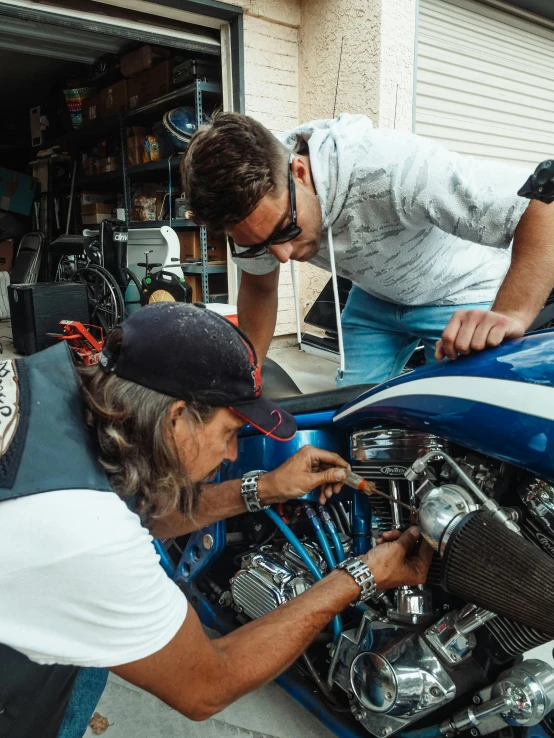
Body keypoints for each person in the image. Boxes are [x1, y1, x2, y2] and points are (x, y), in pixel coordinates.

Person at [0, 301, 433, 738]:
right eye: (228, 433)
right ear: (176, 419)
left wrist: (264, 488)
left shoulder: (48, 383)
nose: (231, 454)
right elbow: (206, 686)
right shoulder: (84, 531)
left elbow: (140, 517)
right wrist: (359, 577)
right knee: (89, 655)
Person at [181, 112, 554, 385]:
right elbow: (260, 289)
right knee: (355, 417)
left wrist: (512, 313)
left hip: (459, 293)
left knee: (464, 420)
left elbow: (542, 205)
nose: (282, 255)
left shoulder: (396, 168)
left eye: (286, 230)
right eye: (259, 245)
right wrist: (249, 376)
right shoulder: (253, 212)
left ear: (298, 173)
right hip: (374, 301)